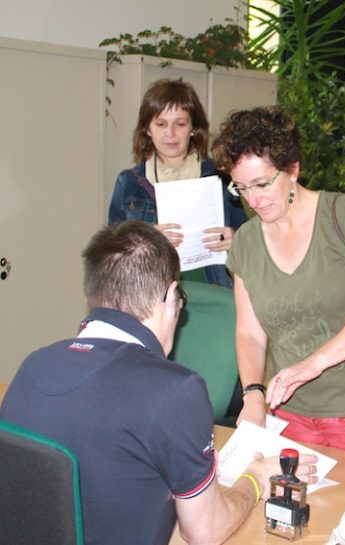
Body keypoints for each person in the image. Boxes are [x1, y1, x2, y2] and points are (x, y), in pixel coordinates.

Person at [0, 221, 318, 545]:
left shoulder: (33, 365)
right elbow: (204, 532)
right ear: (170, 297)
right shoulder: (174, 389)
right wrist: (256, 479)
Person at [210, 106, 345, 459]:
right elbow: (249, 333)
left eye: (262, 184)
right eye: (240, 187)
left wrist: (313, 363)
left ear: (293, 169)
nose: (252, 200)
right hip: (289, 415)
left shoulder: (343, 215)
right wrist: (253, 393)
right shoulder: (246, 242)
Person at [108, 78, 247, 288]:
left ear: (193, 128)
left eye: (180, 124)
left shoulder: (220, 179)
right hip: (151, 297)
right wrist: (147, 241)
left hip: (214, 292)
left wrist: (235, 239)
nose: (170, 134)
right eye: (161, 124)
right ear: (147, 129)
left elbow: (253, 240)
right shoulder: (129, 182)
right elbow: (110, 253)